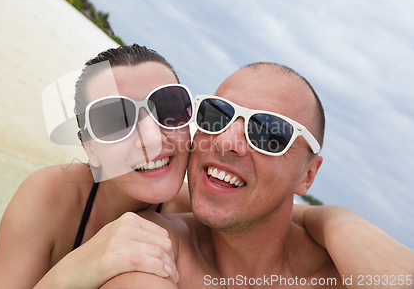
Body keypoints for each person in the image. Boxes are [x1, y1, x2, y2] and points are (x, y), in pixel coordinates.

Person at [100, 62, 414, 288]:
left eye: (267, 132)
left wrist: (340, 224)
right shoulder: (154, 247)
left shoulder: (348, 272)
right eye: (216, 114)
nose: (226, 142)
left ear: (307, 175)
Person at [0, 44, 193, 289]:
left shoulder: (201, 213)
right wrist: (71, 273)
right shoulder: (47, 197)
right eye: (117, 120)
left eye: (169, 108)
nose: (153, 139)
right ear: (90, 149)